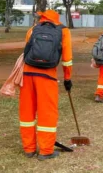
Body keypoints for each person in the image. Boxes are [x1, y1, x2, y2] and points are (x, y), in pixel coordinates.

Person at [20, 10, 72, 160]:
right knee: (47, 112)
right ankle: (46, 150)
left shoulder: (33, 29)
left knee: (27, 112)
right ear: (57, 19)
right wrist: (67, 78)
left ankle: (29, 149)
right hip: (47, 76)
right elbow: (67, 59)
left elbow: (27, 51)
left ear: (42, 18)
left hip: (27, 74)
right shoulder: (63, 31)